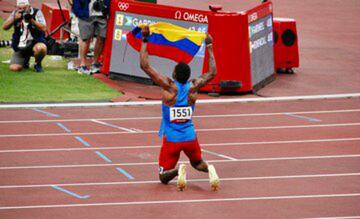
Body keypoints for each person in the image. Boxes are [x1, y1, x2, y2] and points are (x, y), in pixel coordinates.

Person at [139, 25, 220, 191]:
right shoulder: (193, 87)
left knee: (163, 177)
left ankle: (177, 170)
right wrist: (210, 46)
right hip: (190, 136)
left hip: (172, 139)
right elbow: (212, 72)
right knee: (197, 162)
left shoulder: (169, 87)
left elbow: (145, 66)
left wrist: (145, 39)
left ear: (174, 75)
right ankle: (209, 168)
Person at [2, 0, 47, 72]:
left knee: (41, 48)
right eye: (20, 8)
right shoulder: (15, 13)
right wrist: (14, 19)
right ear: (17, 7)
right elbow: (4, 27)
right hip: (20, 46)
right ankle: (25, 61)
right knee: (14, 68)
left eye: (24, 8)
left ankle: (37, 64)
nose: (22, 10)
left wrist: (32, 21)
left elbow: (44, 28)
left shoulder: (37, 12)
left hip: (35, 43)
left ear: (29, 6)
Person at [71, 0, 109, 75]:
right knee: (85, 38)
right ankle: (82, 64)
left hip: (101, 14)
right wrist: (78, 12)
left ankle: (95, 63)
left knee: (101, 38)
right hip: (85, 14)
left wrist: (106, 8)